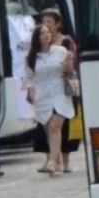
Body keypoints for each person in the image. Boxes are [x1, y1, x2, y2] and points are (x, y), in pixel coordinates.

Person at [25, 11, 78, 175]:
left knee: (55, 127)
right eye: (42, 33)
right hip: (43, 96)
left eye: (48, 32)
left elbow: (72, 72)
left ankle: (53, 162)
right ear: (37, 37)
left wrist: (68, 68)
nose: (46, 35)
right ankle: (59, 162)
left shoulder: (61, 51)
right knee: (49, 130)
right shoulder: (31, 58)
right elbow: (29, 79)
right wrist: (31, 92)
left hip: (60, 94)